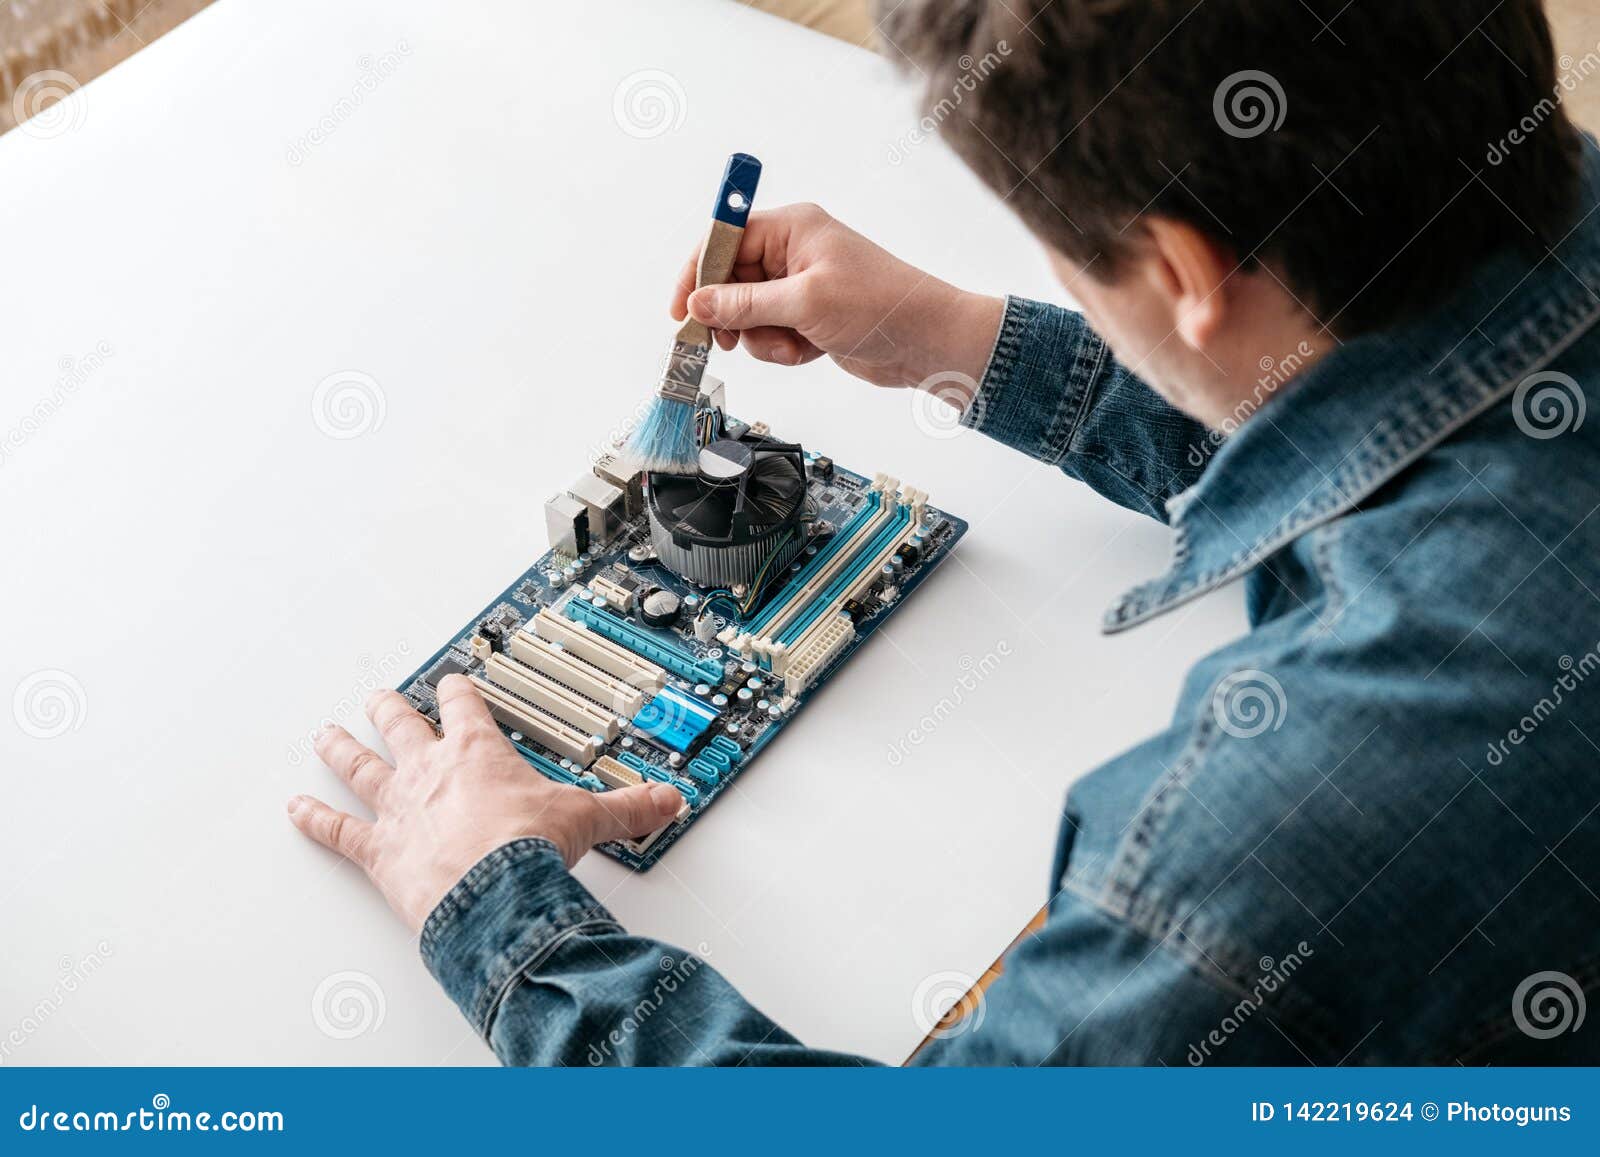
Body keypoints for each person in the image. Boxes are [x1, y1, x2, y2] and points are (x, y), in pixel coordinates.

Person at [288, 0, 1600, 1064]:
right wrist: (960, 340)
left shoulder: (1258, 853)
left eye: (1066, 250)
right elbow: (1392, 391)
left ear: (1187, 273)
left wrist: (506, 917)